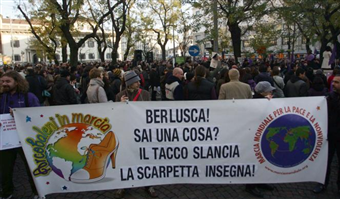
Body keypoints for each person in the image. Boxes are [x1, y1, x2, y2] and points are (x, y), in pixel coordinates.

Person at [114, 70, 156, 198]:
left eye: (138, 81)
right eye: (135, 81)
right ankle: (123, 185)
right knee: (126, 159)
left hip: (142, 131)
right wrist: (119, 105)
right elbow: (115, 114)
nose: (139, 83)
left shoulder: (145, 94)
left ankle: (148, 184)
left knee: (145, 158)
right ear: (129, 83)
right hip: (127, 132)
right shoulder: (119, 96)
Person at [0, 71, 40, 199]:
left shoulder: (29, 97)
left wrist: (20, 113)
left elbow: (38, 114)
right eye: (2, 81)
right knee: (5, 169)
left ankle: (37, 191)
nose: (4, 84)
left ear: (16, 82)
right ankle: (7, 192)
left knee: (31, 167)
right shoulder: (1, 97)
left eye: (7, 81)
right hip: (6, 139)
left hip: (25, 138)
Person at [313, 74, 340, 194]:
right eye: (333, 82)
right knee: (326, 161)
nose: (333, 84)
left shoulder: (330, 97)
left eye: (337, 82)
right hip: (330, 135)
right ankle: (322, 183)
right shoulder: (329, 97)